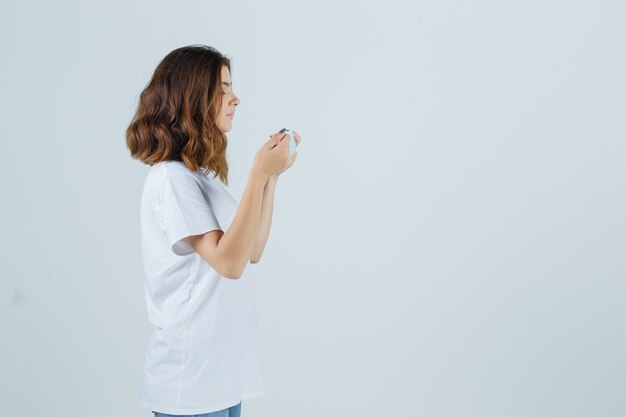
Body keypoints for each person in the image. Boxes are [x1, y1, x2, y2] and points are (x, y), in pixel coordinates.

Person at [125, 44, 300, 417]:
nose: (235, 99)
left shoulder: (198, 176)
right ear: (193, 98)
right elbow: (230, 263)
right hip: (190, 386)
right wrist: (257, 172)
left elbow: (251, 250)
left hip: (218, 380)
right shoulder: (172, 179)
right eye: (223, 91)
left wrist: (270, 178)